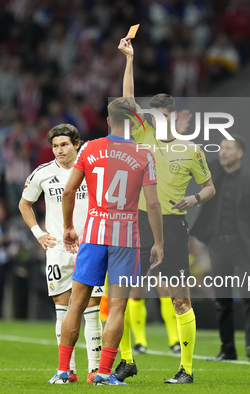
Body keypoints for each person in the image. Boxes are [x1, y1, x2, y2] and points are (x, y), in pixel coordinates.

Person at [114, 35, 216, 385]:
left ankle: (186, 369)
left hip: (173, 226)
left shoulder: (192, 150)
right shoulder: (144, 136)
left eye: (162, 114)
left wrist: (195, 199)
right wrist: (129, 60)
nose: (157, 119)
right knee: (123, 295)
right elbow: (127, 101)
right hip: (138, 223)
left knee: (179, 299)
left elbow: (209, 187)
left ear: (173, 116)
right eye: (154, 114)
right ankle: (126, 361)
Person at [49, 97, 163, 385]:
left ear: (109, 121)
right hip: (126, 239)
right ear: (134, 122)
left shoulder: (89, 148)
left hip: (94, 235)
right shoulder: (143, 154)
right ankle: (103, 373)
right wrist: (159, 242)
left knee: (76, 304)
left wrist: (68, 227)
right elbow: (153, 204)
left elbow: (69, 191)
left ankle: (63, 371)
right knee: (117, 308)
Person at [19, 124, 104, 383]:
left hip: (89, 246)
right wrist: (38, 233)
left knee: (91, 307)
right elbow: (25, 204)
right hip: (57, 249)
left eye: (64, 144)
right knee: (62, 308)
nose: (59, 150)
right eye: (55, 146)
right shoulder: (42, 173)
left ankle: (95, 370)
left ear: (77, 144)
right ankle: (68, 371)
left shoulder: (93, 169)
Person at [190, 135, 250, 363]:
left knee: (249, 297)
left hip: (242, 246)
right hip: (217, 245)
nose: (223, 152)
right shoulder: (214, 175)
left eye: (228, 148)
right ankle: (228, 349)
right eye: (221, 148)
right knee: (222, 300)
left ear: (240, 153)